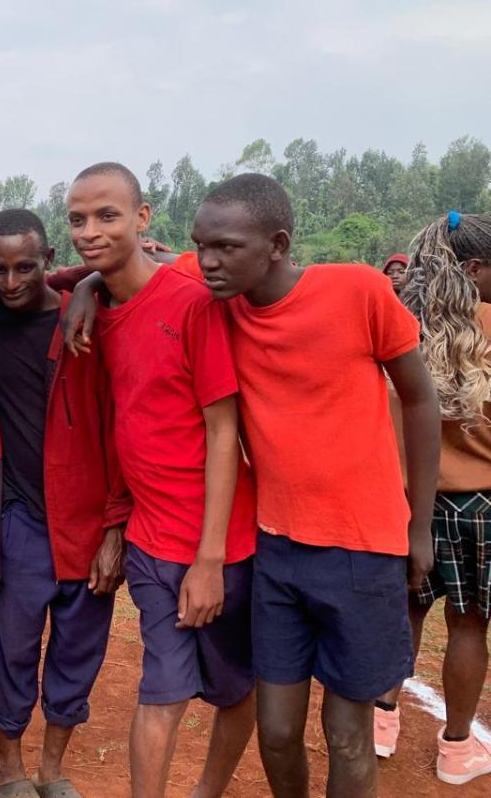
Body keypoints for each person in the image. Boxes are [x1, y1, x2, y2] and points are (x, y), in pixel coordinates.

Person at [188, 173, 440, 798]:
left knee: (347, 733)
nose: (209, 261)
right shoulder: (222, 302)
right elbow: (141, 265)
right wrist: (87, 288)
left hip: (363, 547)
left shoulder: (358, 289)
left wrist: (419, 525)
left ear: (277, 244)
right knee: (276, 731)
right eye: (201, 246)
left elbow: (419, 399)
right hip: (277, 549)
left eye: (226, 247)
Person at [65, 164, 257, 798]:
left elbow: (223, 431)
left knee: (237, 689)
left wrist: (210, 561)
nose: (90, 231)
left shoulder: (193, 303)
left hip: (223, 545)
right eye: (77, 220)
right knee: (161, 692)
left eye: (107, 216)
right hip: (151, 542)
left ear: (143, 218)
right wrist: (117, 526)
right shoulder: (97, 312)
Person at [0, 210, 127, 798]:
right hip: (20, 518)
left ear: (48, 260)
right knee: (13, 647)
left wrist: (116, 529)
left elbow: (118, 427)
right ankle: (9, 769)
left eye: (24, 267)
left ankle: (51, 770)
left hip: (89, 519)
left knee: (78, 649)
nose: (11, 281)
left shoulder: (87, 323)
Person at [375, 212, 491, 784]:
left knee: (405, 610)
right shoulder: (489, 324)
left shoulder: (399, 323)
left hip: (405, 499)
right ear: (473, 268)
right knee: (468, 626)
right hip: (480, 504)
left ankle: (381, 721)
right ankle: (457, 749)